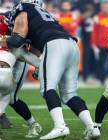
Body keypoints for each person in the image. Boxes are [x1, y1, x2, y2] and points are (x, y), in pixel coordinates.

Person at [0, 0, 100, 139]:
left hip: (54, 44)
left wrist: (3, 40)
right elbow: (35, 51)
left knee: (47, 88)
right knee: (69, 94)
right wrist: (37, 65)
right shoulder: (43, 16)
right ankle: (92, 128)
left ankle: (60, 126)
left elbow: (17, 40)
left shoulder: (23, 9)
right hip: (71, 46)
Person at [0, 14, 42, 137]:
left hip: (19, 60)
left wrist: (38, 66)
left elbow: (28, 51)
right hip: (9, 59)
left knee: (12, 97)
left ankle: (33, 124)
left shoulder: (19, 24)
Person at [91, 1, 108, 85]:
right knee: (101, 63)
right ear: (101, 7)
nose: (105, 8)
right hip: (101, 45)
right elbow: (94, 32)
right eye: (104, 7)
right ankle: (102, 80)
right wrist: (93, 44)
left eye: (106, 6)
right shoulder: (97, 17)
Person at [80, 4, 95, 82]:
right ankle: (85, 76)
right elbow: (78, 24)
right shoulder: (82, 19)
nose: (89, 12)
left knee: (95, 58)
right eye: (87, 11)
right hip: (86, 41)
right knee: (85, 58)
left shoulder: (95, 18)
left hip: (95, 40)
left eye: (90, 10)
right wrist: (83, 17)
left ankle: (96, 75)